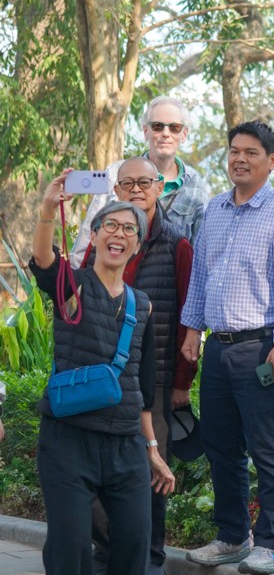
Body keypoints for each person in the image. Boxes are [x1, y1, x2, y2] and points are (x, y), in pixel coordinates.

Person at [180, 121, 274, 574]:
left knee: (270, 448)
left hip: (264, 349)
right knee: (220, 445)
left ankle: (272, 543)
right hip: (219, 348)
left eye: (251, 152)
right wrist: (192, 330)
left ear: (272, 161)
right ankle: (233, 536)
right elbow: (201, 275)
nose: (240, 158)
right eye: (234, 150)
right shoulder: (215, 210)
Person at [31, 171, 175, 575]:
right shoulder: (70, 288)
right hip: (68, 441)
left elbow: (144, 389)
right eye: (110, 225)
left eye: (129, 228)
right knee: (71, 547)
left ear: (137, 244)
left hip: (125, 445)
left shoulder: (142, 305)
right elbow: (43, 260)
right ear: (94, 237)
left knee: (134, 546)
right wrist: (48, 207)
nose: (119, 233)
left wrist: (152, 452)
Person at [85, 158, 196, 575]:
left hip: (156, 381)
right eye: (127, 183)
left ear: (160, 186)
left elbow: (190, 317)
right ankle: (108, 551)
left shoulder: (177, 244)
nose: (136, 189)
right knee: (96, 472)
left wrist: (182, 384)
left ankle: (149, 559)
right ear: (116, 190)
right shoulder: (103, 237)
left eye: (144, 182)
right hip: (100, 379)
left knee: (151, 474)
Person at [71, 96, 211, 264]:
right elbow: (87, 235)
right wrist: (75, 281)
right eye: (158, 126)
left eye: (174, 128)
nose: (166, 134)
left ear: (184, 135)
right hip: (112, 280)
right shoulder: (116, 172)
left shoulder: (196, 186)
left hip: (165, 283)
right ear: (146, 132)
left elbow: (200, 254)